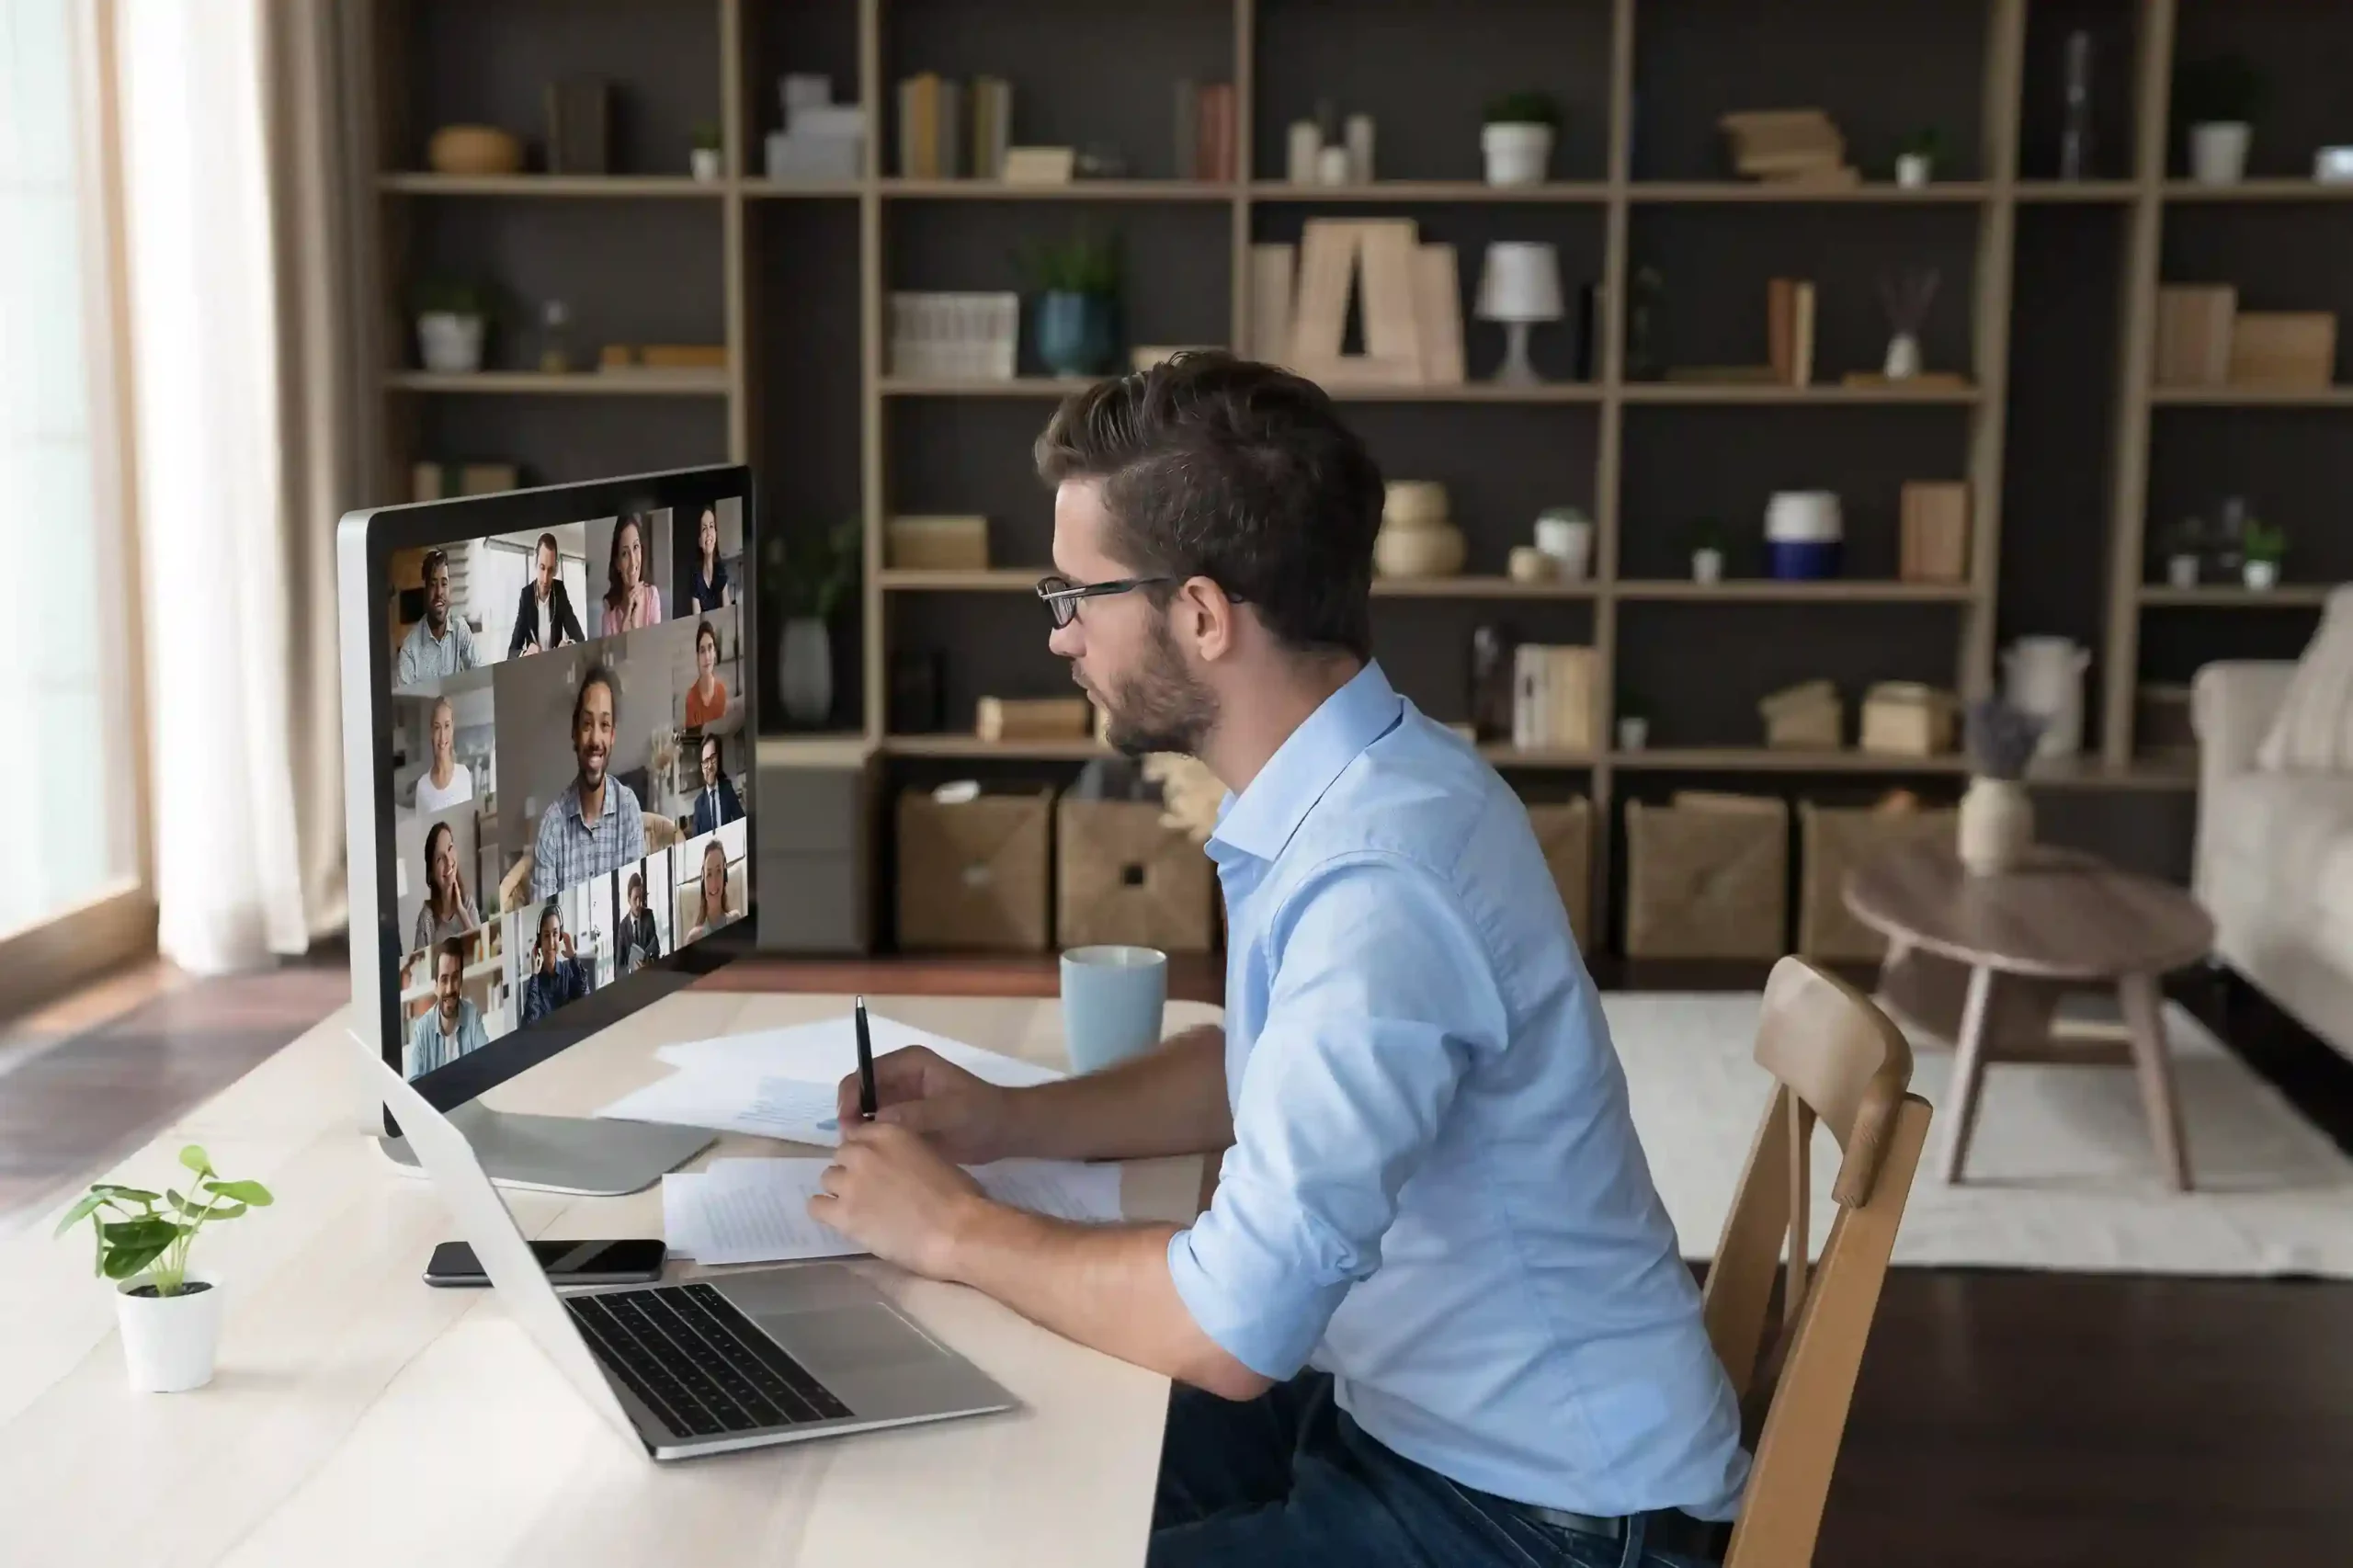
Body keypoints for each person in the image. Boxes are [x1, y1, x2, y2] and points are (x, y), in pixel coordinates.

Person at [806, 352, 1749, 1568]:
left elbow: (1232, 1324)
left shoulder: (1376, 878)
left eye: (1076, 593)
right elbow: (1260, 1066)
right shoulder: (1365, 776)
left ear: (1202, 615)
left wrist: (951, 1229)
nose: (1060, 633)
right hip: (1413, 1422)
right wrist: (1009, 1120)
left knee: (1010, 1488)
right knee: (1000, 1453)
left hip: (1543, 1517)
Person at [531, 662, 645, 902]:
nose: (595, 739)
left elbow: (636, 899)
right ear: (574, 732)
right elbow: (546, 914)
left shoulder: (628, 809)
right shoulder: (551, 828)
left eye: (604, 725)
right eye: (586, 724)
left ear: (612, 735)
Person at [395, 548, 483, 685]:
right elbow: (405, 698)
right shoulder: (409, 651)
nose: (439, 592)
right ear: (425, 590)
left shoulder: (460, 629)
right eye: (433, 584)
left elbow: (480, 674)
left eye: (444, 583)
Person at [407, 937, 489, 1076]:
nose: (450, 988)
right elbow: (413, 1084)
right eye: (444, 980)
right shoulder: (421, 1030)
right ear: (436, 986)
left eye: (455, 978)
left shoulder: (472, 1016)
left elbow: (487, 1064)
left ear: (461, 980)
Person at [508, 531, 586, 657]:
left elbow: (580, 638)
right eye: (542, 567)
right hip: (534, 665)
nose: (545, 579)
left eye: (550, 570)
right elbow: (512, 651)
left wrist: (569, 645)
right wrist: (525, 654)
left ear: (556, 568)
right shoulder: (526, 595)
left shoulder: (560, 591)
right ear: (535, 563)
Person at [518, 898, 595, 1025]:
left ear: (560, 936)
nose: (551, 943)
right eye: (546, 935)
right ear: (539, 942)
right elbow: (529, 1025)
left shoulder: (569, 972)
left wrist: (573, 958)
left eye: (555, 934)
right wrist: (534, 975)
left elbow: (586, 1001)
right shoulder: (535, 986)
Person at [411, 820, 480, 950]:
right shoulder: (427, 919)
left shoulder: (468, 905)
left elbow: (481, 951)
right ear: (431, 873)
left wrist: (461, 912)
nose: (448, 861)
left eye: (450, 848)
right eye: (439, 859)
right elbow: (420, 962)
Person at [599, 513, 664, 635]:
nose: (633, 562)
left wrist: (635, 623)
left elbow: (655, 645)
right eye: (625, 554)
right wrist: (626, 618)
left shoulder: (652, 595)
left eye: (636, 547)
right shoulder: (609, 613)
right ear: (617, 563)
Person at [412, 695, 473, 812]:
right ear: (431, 732)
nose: (442, 736)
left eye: (447, 726)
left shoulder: (464, 774)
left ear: (452, 728)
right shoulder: (422, 787)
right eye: (437, 728)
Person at [688, 733, 741, 836]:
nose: (710, 766)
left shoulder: (727, 790)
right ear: (702, 767)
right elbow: (695, 840)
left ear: (718, 760)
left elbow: (742, 822)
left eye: (713, 758)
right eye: (706, 761)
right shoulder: (699, 804)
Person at [682, 505, 731, 613]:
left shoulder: (721, 569)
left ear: (716, 534)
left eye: (711, 526)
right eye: (704, 528)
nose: (708, 533)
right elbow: (696, 616)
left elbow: (727, 611)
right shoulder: (695, 575)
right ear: (700, 540)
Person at [681, 839, 731, 943]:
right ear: (703, 882)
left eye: (719, 871)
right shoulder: (693, 938)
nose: (714, 883)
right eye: (709, 874)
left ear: (725, 876)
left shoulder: (735, 917)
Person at [684, 618, 730, 728]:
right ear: (697, 657)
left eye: (710, 648)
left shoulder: (722, 691)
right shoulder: (691, 699)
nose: (707, 657)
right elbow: (692, 737)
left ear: (715, 652)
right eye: (702, 651)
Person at [617, 869, 661, 973]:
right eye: (635, 898)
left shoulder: (649, 916)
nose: (639, 903)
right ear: (629, 899)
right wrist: (630, 970)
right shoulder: (623, 927)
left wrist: (649, 964)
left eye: (640, 898)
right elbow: (619, 968)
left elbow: (656, 951)